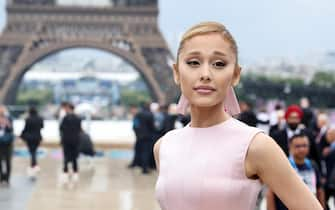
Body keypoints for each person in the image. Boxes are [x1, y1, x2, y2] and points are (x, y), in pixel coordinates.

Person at [153, 22, 322, 210]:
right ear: (176, 72)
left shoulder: (255, 145)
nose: (205, 74)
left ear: (235, 75)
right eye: (193, 62)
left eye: (219, 64)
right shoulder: (164, 146)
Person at [267, 132, 326, 210]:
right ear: (290, 147)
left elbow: (319, 190)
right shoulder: (282, 165)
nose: (302, 149)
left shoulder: (313, 165)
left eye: (304, 146)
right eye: (297, 146)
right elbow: (271, 193)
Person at [60, 103, 82, 184]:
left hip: (66, 140)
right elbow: (79, 130)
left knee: (66, 156)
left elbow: (61, 129)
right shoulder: (78, 118)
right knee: (74, 156)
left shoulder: (65, 118)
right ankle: (75, 172)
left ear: (69, 108)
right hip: (75, 140)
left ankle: (65, 172)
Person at [20, 106, 44, 178]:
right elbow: (42, 126)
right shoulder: (40, 119)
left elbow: (25, 128)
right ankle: (34, 165)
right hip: (37, 137)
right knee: (34, 151)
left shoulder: (28, 119)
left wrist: (22, 135)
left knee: (32, 151)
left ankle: (33, 165)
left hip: (29, 138)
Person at [0, 105, 14, 186]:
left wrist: (7, 123)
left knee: (8, 161)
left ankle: (7, 178)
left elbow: (11, 129)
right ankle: (2, 177)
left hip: (7, 142)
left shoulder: (9, 118)